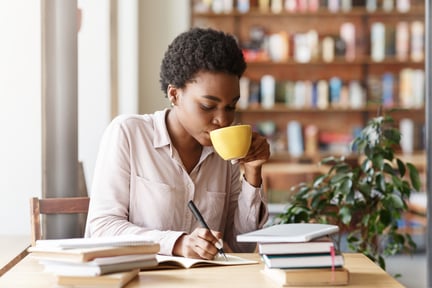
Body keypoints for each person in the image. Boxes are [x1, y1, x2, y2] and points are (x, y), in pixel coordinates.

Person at [85, 27, 270, 260]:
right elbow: (102, 228)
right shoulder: (129, 134)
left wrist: (252, 174)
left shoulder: (226, 155)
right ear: (174, 95)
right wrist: (177, 243)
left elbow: (240, 247)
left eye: (231, 107)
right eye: (207, 106)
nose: (222, 120)